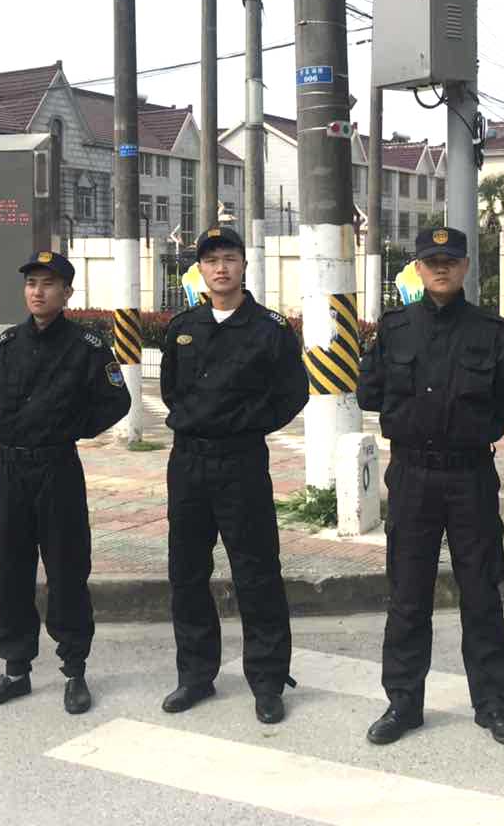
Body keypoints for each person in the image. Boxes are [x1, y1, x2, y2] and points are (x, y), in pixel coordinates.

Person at [357, 225, 504, 747]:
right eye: (431, 260)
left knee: (482, 592)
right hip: (412, 475)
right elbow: (369, 393)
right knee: (407, 594)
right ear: (417, 267)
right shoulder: (394, 329)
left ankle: (493, 704)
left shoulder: (491, 332)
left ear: (465, 267)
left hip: (469, 476)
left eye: (450, 260)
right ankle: (403, 703)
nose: (441, 268)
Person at [158, 226, 309, 724]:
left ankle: (267, 681)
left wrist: (247, 423)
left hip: (242, 462)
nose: (220, 268)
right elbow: (171, 390)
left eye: (229, 258)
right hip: (188, 463)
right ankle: (195, 675)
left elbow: (293, 393)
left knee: (256, 572)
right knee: (187, 572)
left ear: (244, 265)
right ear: (199, 269)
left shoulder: (270, 328)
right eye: (210, 260)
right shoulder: (183, 326)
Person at [0, 250, 131, 714]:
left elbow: (116, 401)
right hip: (9, 470)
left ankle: (74, 670)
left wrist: (72, 427)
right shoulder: (7, 344)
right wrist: (13, 425)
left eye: (47, 284)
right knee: (10, 569)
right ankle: (15, 669)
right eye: (31, 283)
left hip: (57, 469)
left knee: (66, 568)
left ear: (67, 293)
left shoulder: (88, 346)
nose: (37, 292)